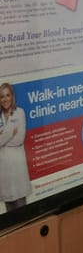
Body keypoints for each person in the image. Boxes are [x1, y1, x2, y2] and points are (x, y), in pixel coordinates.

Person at [0, 82, 32, 212]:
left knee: (21, 208)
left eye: (7, 95)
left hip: (17, 167)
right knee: (9, 210)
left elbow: (19, 139)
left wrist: (3, 136)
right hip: (4, 169)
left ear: (12, 96)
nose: (5, 99)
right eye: (2, 96)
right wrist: (10, 133)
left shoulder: (19, 113)